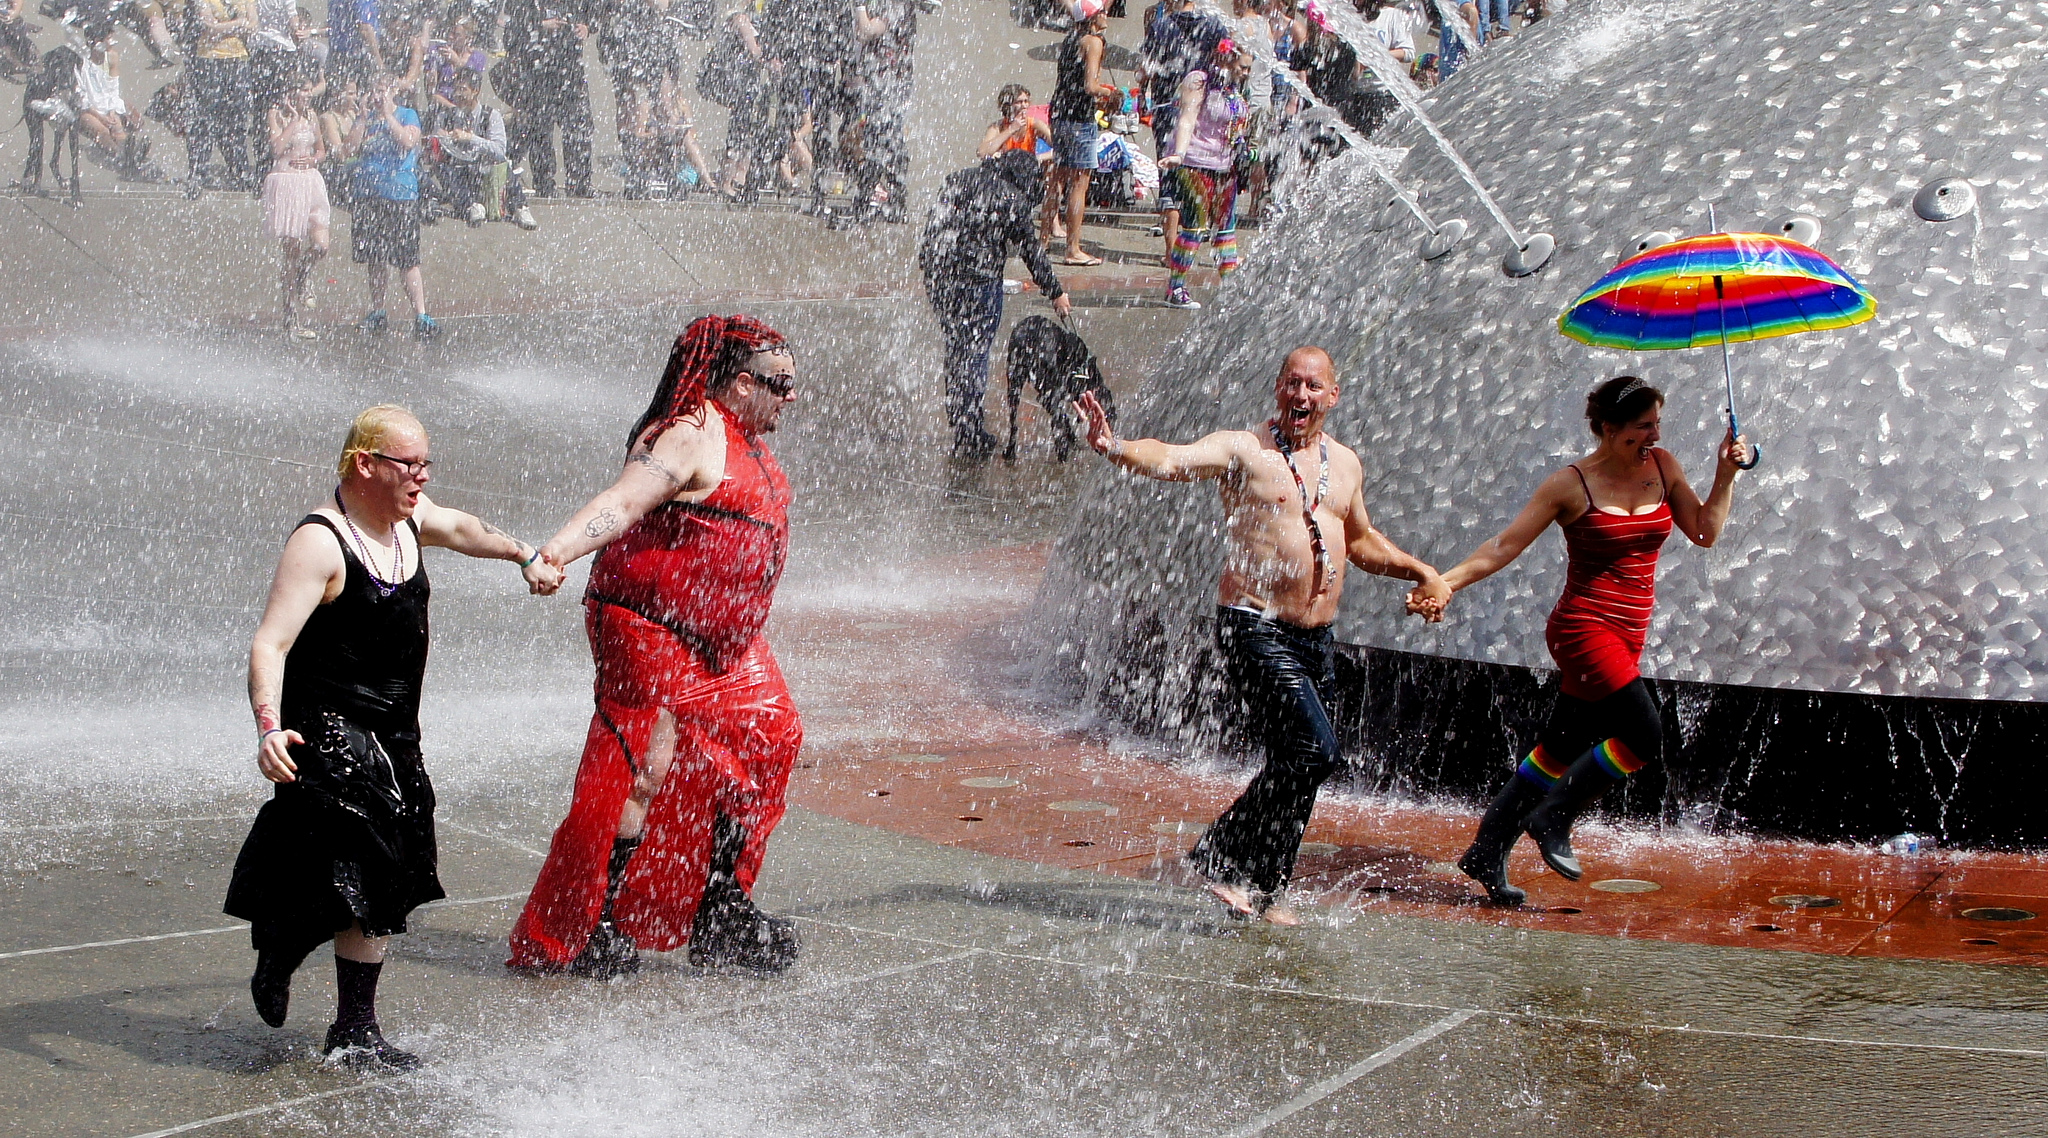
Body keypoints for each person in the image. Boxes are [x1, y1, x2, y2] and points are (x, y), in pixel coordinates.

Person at [228, 404, 560, 1068]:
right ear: (365, 464)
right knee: (363, 859)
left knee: (390, 866)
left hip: (396, 733)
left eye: (427, 465)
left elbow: (462, 527)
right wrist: (268, 727)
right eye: (409, 465)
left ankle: (310, 973)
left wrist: (524, 553)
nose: (421, 479)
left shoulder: (409, 523)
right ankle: (342, 1013)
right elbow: (270, 642)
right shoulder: (322, 542)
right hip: (327, 730)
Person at [1073, 347, 1448, 923]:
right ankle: (1220, 856)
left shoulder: (1344, 464)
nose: (1301, 396)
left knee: (1295, 764)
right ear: (1278, 389)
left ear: (1333, 396)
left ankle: (1267, 889)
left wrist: (1419, 570)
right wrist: (1117, 447)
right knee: (1315, 751)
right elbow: (1173, 459)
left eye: (1314, 386)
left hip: (1315, 637)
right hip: (1254, 625)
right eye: (1292, 384)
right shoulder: (1245, 450)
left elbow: (1362, 541)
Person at [508, 315, 807, 978]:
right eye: (779, 384)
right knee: (644, 766)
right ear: (735, 383)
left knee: (770, 733)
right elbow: (624, 501)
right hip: (648, 624)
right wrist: (554, 551)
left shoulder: (749, 436)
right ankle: (593, 923)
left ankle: (720, 907)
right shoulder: (690, 433)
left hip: (721, 639)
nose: (792, 396)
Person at [1433, 377, 1750, 905]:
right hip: (1583, 628)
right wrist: (1445, 582)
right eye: (1642, 425)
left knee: (1559, 746)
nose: (1653, 434)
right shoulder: (1570, 484)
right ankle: (1554, 815)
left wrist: (1725, 475)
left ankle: (1487, 849)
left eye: (1657, 423)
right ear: (1608, 427)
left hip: (1628, 634)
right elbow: (1504, 545)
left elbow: (1705, 531)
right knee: (1645, 737)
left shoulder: (1664, 467)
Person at [918, 149, 1073, 459]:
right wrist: (1055, 291)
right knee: (974, 353)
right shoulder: (1012, 199)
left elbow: (935, 227)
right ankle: (970, 430)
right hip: (980, 282)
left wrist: (930, 265)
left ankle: (962, 421)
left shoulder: (960, 179)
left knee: (956, 347)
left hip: (941, 276)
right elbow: (1032, 251)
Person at [1157, 32, 1247, 310]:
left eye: (1248, 69)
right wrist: (1179, 154)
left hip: (1224, 166)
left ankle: (1230, 290)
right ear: (1226, 57)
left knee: (1226, 231)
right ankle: (1175, 289)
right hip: (1194, 162)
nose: (1245, 73)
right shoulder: (1199, 80)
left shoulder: (1232, 88)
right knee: (1194, 229)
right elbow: (1187, 118)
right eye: (1242, 66)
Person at [347, 71, 439, 339]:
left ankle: (420, 314)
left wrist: (387, 116)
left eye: (381, 92)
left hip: (400, 195)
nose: (376, 97)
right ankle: (378, 311)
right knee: (375, 258)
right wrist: (363, 118)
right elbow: (350, 149)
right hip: (369, 195)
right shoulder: (365, 119)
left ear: (392, 93)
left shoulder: (407, 115)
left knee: (407, 259)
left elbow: (409, 141)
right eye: (373, 92)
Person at [1043, 0, 1113, 265]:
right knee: (1079, 183)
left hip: (1059, 111)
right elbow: (1090, 86)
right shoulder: (1093, 42)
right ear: (1094, 17)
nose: (1107, 15)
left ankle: (1043, 241)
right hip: (1079, 117)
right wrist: (1112, 94)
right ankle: (1073, 249)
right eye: (1103, 11)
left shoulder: (1070, 38)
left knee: (1057, 178)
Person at [263, 73, 330, 337]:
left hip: (310, 181)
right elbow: (277, 149)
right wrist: (294, 120)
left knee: (321, 245)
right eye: (301, 90)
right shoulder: (276, 115)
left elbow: (321, 150)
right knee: (290, 253)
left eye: (307, 90)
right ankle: (291, 319)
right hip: (287, 183)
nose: (306, 94)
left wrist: (313, 160)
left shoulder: (313, 116)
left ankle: (304, 275)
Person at [502, 0, 592, 197]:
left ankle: (580, 185)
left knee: (579, 129)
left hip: (571, 76)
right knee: (541, 132)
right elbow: (509, 35)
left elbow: (593, 13)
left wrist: (586, 27)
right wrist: (540, 25)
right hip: (538, 77)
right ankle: (545, 185)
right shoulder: (526, 5)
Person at [429, 66, 536, 228]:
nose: (458, 95)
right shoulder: (447, 116)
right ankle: (471, 206)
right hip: (460, 170)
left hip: (485, 169)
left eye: (463, 89)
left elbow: (500, 150)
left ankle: (520, 207)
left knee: (505, 166)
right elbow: (438, 144)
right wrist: (443, 138)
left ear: (475, 91)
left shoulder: (491, 115)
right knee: (443, 169)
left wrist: (471, 138)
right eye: (455, 89)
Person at [186, 0, 256, 193]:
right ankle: (197, 172)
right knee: (205, 117)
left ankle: (240, 170)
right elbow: (209, 26)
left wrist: (222, 26)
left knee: (237, 118)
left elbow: (253, 25)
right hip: (210, 60)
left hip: (238, 59)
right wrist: (238, 23)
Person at [977, 82, 1049, 160]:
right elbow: (981, 153)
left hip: (1028, 169)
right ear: (1007, 106)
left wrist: (1036, 159)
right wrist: (1011, 130)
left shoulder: (1034, 124)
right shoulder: (997, 127)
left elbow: (1060, 147)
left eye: (1026, 101)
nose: (1024, 106)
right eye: (1019, 102)